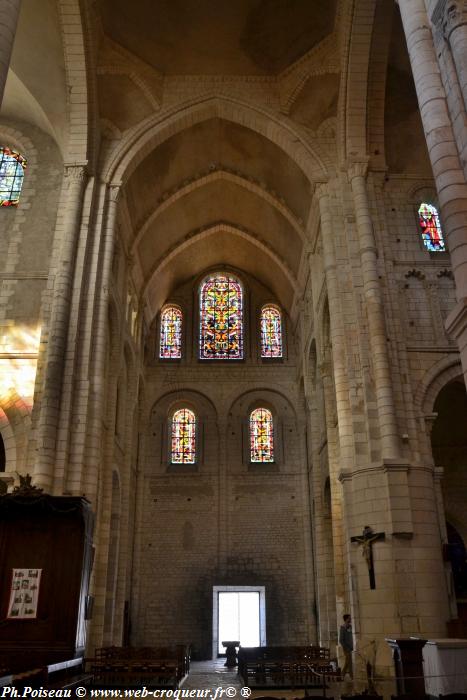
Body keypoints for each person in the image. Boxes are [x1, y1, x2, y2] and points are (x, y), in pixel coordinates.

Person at [339, 613, 353, 679]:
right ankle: (351, 676)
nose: (350, 619)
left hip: (351, 647)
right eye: (349, 618)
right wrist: (346, 647)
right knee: (349, 662)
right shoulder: (342, 628)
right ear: (346, 619)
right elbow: (341, 640)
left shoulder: (350, 627)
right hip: (346, 648)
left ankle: (342, 674)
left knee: (348, 662)